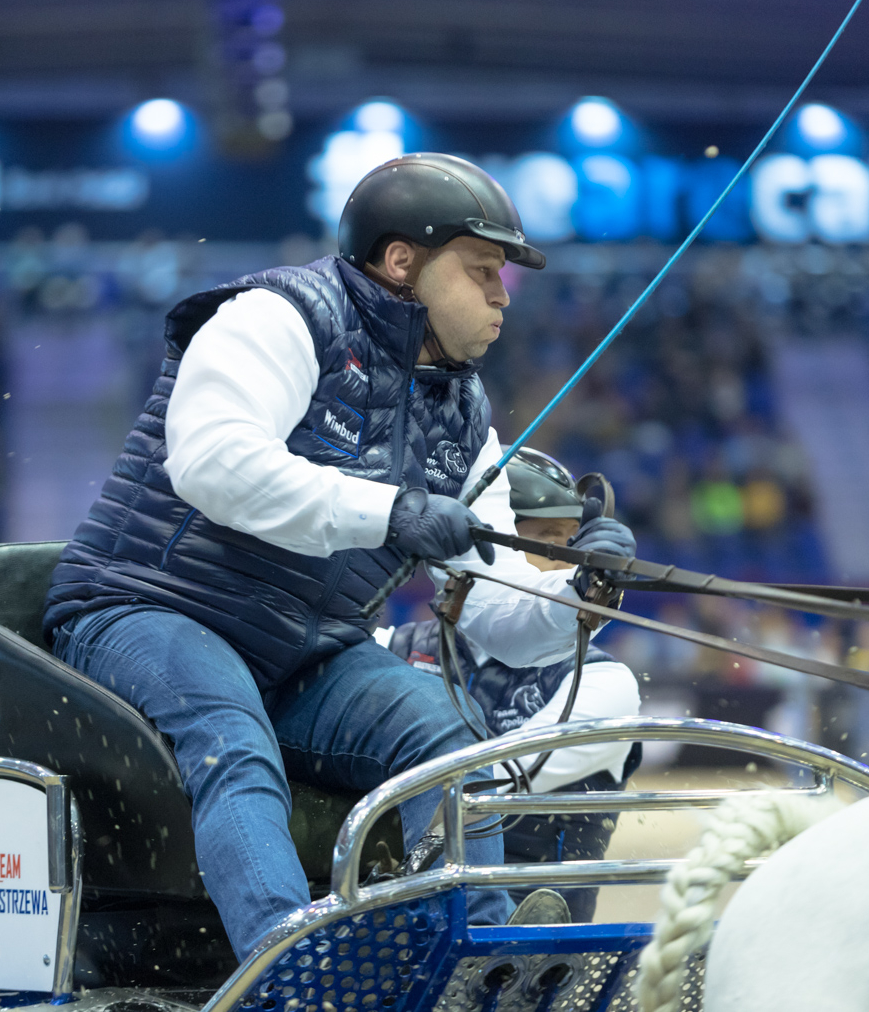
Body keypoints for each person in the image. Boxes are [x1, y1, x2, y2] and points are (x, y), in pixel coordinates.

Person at [43, 153, 637, 957]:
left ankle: (478, 967)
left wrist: (582, 593)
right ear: (402, 260)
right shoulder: (279, 315)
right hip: (145, 605)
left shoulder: (464, 412)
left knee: (450, 737)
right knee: (233, 744)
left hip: (303, 650)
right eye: (482, 270)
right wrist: (390, 510)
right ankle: (288, 974)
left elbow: (493, 614)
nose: (503, 294)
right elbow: (213, 461)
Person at [381, 447, 642, 921]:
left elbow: (486, 788)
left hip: (533, 953)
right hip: (395, 923)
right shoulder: (389, 647)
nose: (568, 566)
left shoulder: (608, 683)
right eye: (545, 541)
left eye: (573, 543)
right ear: (480, 552)